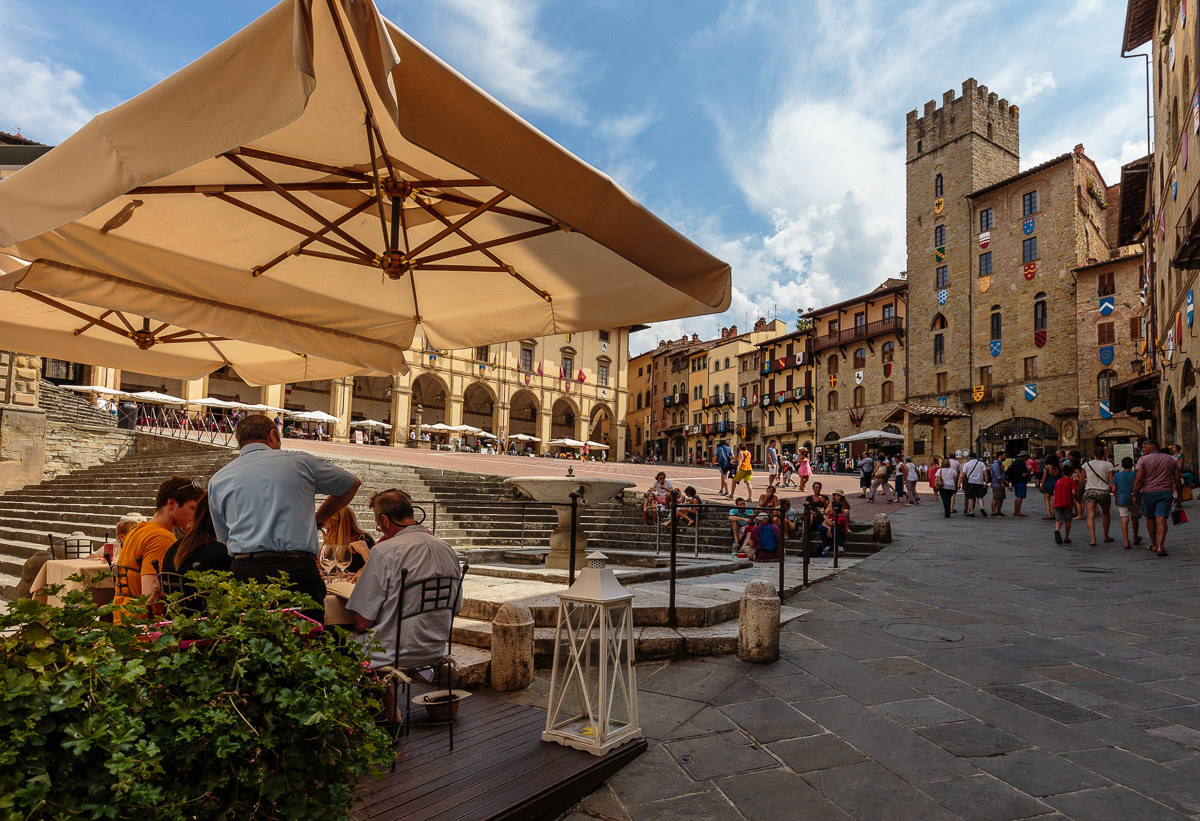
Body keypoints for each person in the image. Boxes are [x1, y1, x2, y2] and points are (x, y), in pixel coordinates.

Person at [207, 414, 361, 622]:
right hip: (296, 570)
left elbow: (224, 540)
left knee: (249, 642)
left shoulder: (218, 479)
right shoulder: (299, 462)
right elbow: (351, 484)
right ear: (272, 436)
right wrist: (319, 517)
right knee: (305, 641)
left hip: (245, 570)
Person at [347, 489, 463, 673]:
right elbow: (456, 609)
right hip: (435, 648)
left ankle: (372, 700)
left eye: (379, 524)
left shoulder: (385, 551)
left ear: (385, 520)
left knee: (336, 642)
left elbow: (362, 623)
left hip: (391, 652)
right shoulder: (447, 549)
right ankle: (392, 702)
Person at [112, 476, 204, 622]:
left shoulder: (139, 529)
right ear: (172, 503)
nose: (195, 515)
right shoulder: (161, 537)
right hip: (143, 631)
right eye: (192, 508)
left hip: (123, 618)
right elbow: (151, 596)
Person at [1133, 439, 1184, 557]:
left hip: (1148, 493)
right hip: (1165, 492)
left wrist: (1135, 494)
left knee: (1150, 518)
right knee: (1161, 518)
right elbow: (1177, 479)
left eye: (1144, 448)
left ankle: (1154, 544)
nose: (1142, 450)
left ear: (1152, 447)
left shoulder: (1143, 460)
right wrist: (1179, 496)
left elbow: (1139, 478)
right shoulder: (1170, 459)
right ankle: (1161, 546)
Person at [321, 506, 376, 573]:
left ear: (339, 525)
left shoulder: (364, 540)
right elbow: (322, 568)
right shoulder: (332, 540)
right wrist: (325, 545)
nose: (326, 529)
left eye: (330, 527)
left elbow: (373, 568)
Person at [1081, 446, 1115, 546]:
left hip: (1090, 491)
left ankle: (1093, 539)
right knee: (1105, 513)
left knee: (1090, 515)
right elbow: (1111, 481)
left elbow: (1082, 480)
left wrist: (1079, 492)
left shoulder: (1086, 465)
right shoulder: (1108, 465)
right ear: (1104, 454)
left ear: (1093, 454)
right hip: (1103, 491)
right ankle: (1106, 536)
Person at [1110, 456, 1143, 550]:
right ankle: (1135, 537)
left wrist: (1116, 497)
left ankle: (1126, 541)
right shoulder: (1136, 475)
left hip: (1122, 499)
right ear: (1133, 465)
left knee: (1124, 519)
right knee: (1135, 519)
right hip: (1135, 499)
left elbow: (1113, 488)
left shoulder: (1117, 475)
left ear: (1121, 465)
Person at [1052, 463, 1080, 544]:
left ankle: (1057, 530)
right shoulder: (1072, 481)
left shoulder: (1058, 481)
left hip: (1057, 502)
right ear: (1072, 473)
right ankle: (1066, 537)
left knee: (1059, 519)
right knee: (1068, 520)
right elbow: (1073, 492)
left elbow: (1054, 492)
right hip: (1067, 502)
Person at [818, 491, 850, 556]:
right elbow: (824, 523)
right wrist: (829, 528)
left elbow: (832, 524)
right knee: (821, 527)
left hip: (840, 534)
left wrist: (823, 515)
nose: (830, 509)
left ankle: (840, 546)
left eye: (831, 508)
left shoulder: (841, 517)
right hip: (831, 532)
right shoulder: (830, 514)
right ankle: (827, 545)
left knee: (833, 528)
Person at [959, 452, 988, 517]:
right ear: (976, 457)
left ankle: (972, 512)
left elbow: (963, 475)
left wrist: (959, 483)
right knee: (980, 496)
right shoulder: (981, 464)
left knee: (970, 497)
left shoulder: (967, 464)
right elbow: (985, 473)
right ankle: (981, 507)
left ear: (970, 458)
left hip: (970, 483)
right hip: (979, 482)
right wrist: (986, 482)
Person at [1006, 453, 1031, 518]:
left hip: (1015, 481)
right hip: (1021, 481)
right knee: (1020, 497)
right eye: (1027, 457)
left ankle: (1016, 511)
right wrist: (1029, 471)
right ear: (1025, 457)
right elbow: (1024, 474)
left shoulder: (1015, 462)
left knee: (1018, 496)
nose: (1028, 459)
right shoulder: (1022, 463)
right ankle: (1018, 512)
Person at [1038, 453, 1061, 521]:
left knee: (1047, 499)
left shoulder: (1047, 467)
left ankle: (1048, 514)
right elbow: (1062, 475)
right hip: (1058, 483)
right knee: (1055, 498)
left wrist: (1042, 484)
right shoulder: (1060, 466)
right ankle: (1054, 513)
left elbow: (1044, 477)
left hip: (1049, 483)